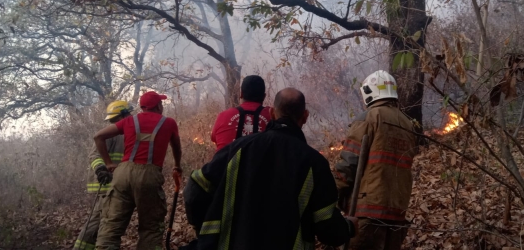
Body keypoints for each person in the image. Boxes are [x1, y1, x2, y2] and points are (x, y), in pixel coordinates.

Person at [183, 88, 357, 250]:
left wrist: (205, 231)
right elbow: (328, 229)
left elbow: (194, 189)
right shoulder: (315, 163)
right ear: (305, 116)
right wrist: (348, 227)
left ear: (272, 113)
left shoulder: (238, 149)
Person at [334, 70, 418, 250]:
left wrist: (334, 195)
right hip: (397, 213)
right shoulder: (407, 124)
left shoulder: (369, 118)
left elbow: (349, 162)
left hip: (366, 211)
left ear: (369, 92)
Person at [93, 91, 182, 250]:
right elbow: (176, 146)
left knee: (111, 226)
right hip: (149, 176)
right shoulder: (169, 123)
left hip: (123, 174)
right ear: (158, 106)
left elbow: (98, 137)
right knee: (150, 228)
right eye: (161, 103)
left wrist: (108, 163)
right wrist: (177, 165)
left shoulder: (129, 121)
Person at [74, 101, 133, 250]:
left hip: (116, 185)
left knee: (102, 223)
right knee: (100, 224)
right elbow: (94, 155)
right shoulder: (110, 133)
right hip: (106, 185)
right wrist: (102, 169)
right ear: (125, 114)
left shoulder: (129, 132)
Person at [211, 75, 271, 151]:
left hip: (225, 162)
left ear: (241, 94)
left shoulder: (223, 116)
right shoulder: (273, 116)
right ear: (264, 96)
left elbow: (214, 138)